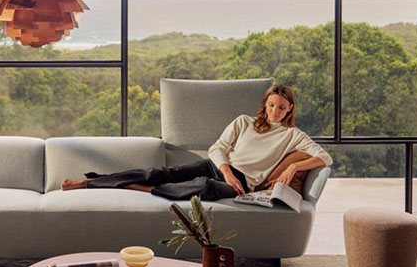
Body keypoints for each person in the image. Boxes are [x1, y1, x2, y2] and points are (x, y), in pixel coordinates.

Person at [60, 84, 332, 201]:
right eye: (271, 105)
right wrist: (225, 170)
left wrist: (294, 168)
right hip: (220, 168)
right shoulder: (244, 122)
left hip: (241, 185)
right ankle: (88, 183)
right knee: (158, 173)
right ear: (265, 104)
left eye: (281, 107)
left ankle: (141, 190)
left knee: (202, 188)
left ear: (290, 108)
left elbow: (325, 158)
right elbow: (217, 149)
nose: (275, 111)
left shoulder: (293, 136)